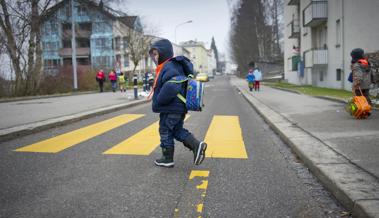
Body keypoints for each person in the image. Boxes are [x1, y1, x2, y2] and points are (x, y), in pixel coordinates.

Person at [148, 38, 207, 168]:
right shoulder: (173, 65)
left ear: (164, 53)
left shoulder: (169, 66)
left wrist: (159, 100)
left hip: (170, 107)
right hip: (177, 107)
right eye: (152, 54)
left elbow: (172, 85)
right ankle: (196, 145)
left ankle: (167, 157)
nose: (154, 57)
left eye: (156, 54)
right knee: (176, 130)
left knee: (165, 130)